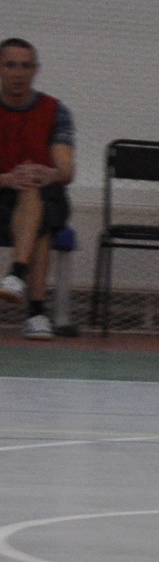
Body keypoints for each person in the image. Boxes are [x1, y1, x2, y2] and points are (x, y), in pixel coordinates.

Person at [0, 37, 75, 339]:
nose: (18, 73)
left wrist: (49, 172)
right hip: (2, 193)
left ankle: (17, 274)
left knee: (36, 195)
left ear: (36, 69)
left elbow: (66, 170)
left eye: (25, 66)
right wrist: (7, 178)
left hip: (46, 194)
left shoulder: (55, 111)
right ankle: (36, 313)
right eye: (11, 65)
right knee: (42, 225)